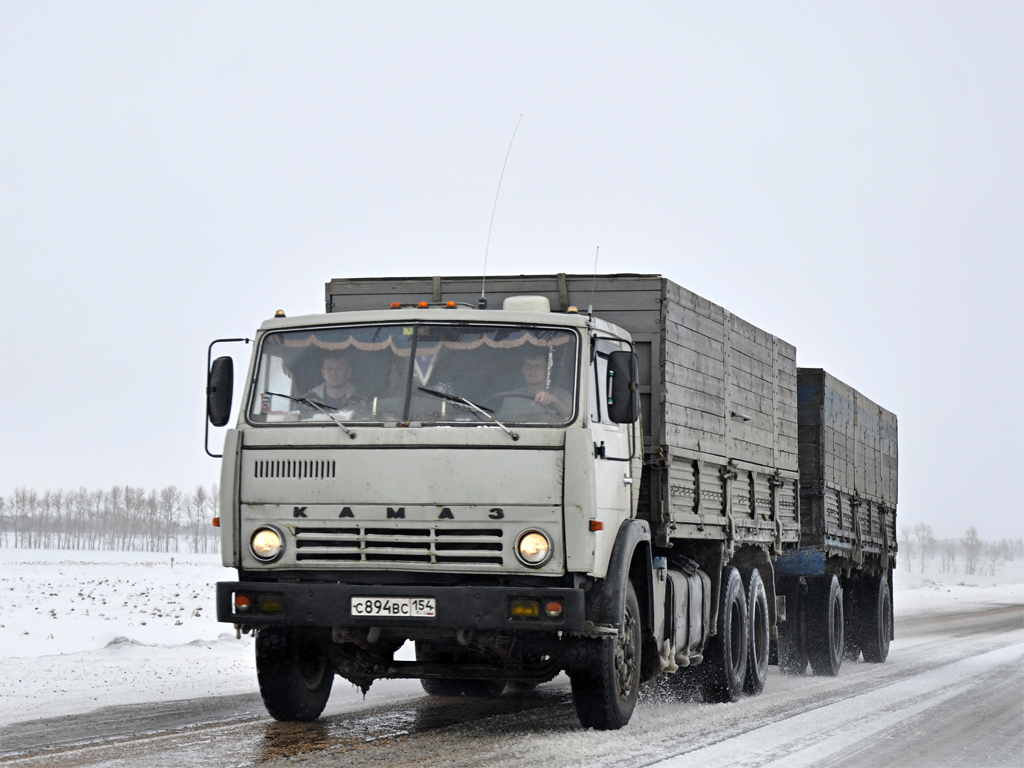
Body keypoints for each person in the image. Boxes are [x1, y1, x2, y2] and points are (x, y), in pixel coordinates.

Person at [506, 349, 572, 420]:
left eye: (538, 366)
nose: (532, 370)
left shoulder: (562, 395)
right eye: (528, 366)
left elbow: (572, 415)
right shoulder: (512, 397)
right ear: (523, 370)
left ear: (548, 371)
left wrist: (554, 401)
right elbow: (502, 421)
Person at [303, 352, 368, 414]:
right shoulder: (307, 401)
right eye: (329, 368)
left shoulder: (363, 400)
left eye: (339, 368)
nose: (333, 372)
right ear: (323, 373)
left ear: (348, 373)